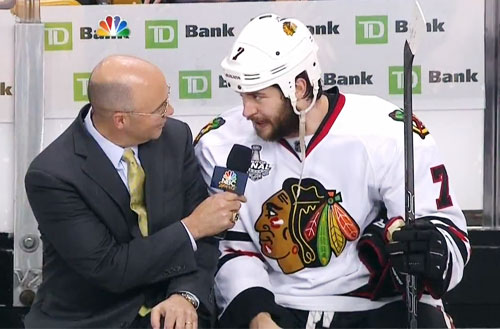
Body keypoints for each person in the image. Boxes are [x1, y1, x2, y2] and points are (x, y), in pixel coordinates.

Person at [194, 13, 470, 329]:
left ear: (298, 87)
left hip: (376, 306)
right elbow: (231, 246)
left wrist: (431, 251)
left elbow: (448, 234)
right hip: (277, 305)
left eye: (258, 95)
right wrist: (258, 315)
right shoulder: (221, 142)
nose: (246, 110)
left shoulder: (387, 131)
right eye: (242, 95)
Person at [24, 55, 245, 329]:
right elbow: (110, 267)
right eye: (161, 108)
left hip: (168, 309)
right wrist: (191, 227)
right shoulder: (52, 175)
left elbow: (207, 237)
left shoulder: (175, 138)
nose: (171, 111)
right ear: (121, 120)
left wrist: (184, 295)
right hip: (92, 320)